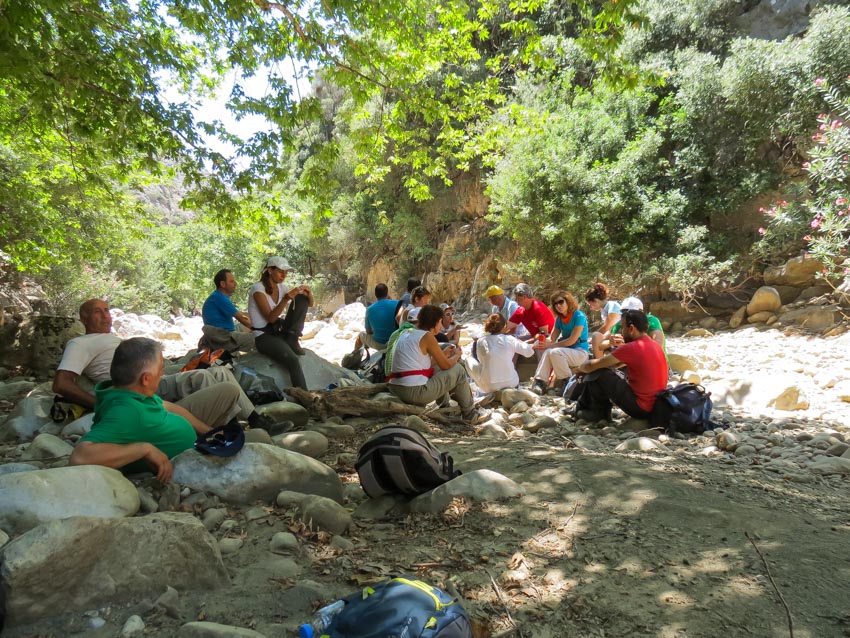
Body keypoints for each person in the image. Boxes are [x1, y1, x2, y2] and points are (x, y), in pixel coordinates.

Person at [53, 299, 284, 433]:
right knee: (203, 377)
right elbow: (61, 383)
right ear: (84, 319)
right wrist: (99, 403)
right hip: (138, 387)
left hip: (155, 377)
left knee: (219, 369)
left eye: (107, 310)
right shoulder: (80, 343)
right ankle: (234, 426)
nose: (106, 316)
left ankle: (251, 420)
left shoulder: (110, 339)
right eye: (98, 312)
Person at [69, 338, 239, 482]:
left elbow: (170, 407)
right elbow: (79, 457)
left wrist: (209, 432)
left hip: (186, 434)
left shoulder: (132, 391)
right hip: (187, 459)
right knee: (252, 440)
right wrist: (144, 449)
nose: (162, 373)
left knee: (228, 390)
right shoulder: (126, 412)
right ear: (146, 378)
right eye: (160, 368)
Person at [387, 304, 487, 425]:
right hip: (413, 392)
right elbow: (446, 366)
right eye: (440, 322)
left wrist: (443, 354)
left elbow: (421, 365)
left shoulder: (406, 333)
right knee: (459, 370)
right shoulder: (427, 336)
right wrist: (457, 355)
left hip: (395, 387)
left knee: (437, 368)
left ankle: (445, 407)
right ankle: (470, 413)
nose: (441, 325)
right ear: (435, 322)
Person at [575, 310, 668, 422]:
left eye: (623, 327)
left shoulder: (632, 347)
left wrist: (579, 369)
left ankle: (597, 412)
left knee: (598, 372)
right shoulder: (654, 344)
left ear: (631, 328)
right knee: (602, 371)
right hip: (656, 406)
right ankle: (585, 408)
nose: (621, 332)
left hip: (640, 408)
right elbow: (616, 365)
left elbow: (593, 365)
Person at [247, 256, 311, 389]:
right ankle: (304, 395)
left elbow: (310, 304)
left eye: (286, 272)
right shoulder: (258, 289)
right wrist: (286, 299)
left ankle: (293, 337)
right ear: (270, 270)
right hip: (263, 336)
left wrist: (308, 294)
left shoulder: (282, 287)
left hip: (278, 330)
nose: (284, 275)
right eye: (281, 272)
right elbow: (270, 318)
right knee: (293, 360)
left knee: (301, 298)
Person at [529, 292, 590, 395]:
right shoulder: (559, 319)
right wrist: (539, 342)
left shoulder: (579, 316)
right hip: (566, 352)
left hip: (580, 352)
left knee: (554, 351)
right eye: (555, 304)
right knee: (548, 351)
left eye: (561, 302)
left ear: (568, 301)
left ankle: (567, 383)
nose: (558, 305)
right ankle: (540, 382)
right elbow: (552, 339)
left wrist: (551, 345)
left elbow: (572, 340)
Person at [465, 313, 534, 393]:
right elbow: (529, 353)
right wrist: (521, 342)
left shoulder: (481, 341)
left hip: (489, 386)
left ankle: (478, 386)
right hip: (511, 383)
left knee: (468, 360)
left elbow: (481, 361)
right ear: (504, 326)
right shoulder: (510, 339)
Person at [201, 269, 255, 353]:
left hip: (223, 333)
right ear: (223, 284)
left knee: (247, 323)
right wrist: (260, 330)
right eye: (232, 281)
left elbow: (241, 315)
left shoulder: (217, 296)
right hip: (222, 338)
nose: (235, 284)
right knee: (256, 338)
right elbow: (242, 319)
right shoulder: (220, 298)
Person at [354, 283, 396, 352]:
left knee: (360, 336)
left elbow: (368, 331)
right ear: (387, 293)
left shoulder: (369, 309)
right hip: (394, 341)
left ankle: (355, 355)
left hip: (378, 344)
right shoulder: (397, 303)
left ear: (375, 294)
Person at [585, 282, 621, 358]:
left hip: (619, 336)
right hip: (613, 335)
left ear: (596, 300)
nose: (591, 307)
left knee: (596, 336)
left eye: (590, 304)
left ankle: (599, 361)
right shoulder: (603, 310)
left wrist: (595, 338)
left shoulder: (612, 306)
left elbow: (607, 326)